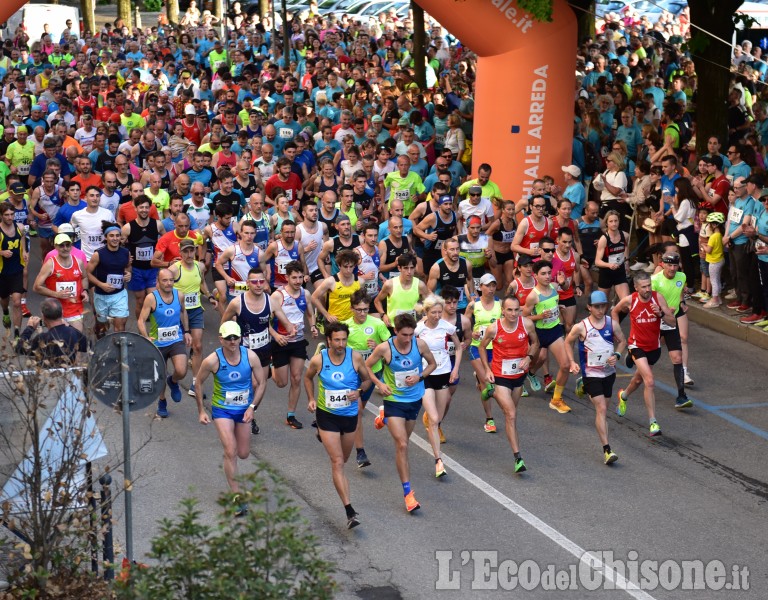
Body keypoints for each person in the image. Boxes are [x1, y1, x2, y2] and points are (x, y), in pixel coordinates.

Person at [365, 313, 437, 513]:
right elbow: (367, 366)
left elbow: (433, 364)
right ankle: (408, 493)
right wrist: (379, 383)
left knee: (404, 439)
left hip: (414, 400)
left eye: (411, 334)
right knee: (403, 445)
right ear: (395, 331)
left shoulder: (419, 345)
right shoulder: (384, 348)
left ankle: (384, 418)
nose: (408, 339)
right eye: (404, 335)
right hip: (394, 400)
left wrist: (420, 376)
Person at [304, 321, 372, 529]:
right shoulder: (319, 360)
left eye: (344, 339)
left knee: (345, 458)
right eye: (337, 340)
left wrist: (359, 392)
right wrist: (311, 398)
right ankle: (350, 511)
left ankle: (322, 435)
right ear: (329, 340)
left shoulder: (355, 357)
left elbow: (367, 380)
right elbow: (308, 378)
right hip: (327, 415)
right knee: (338, 462)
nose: (341, 344)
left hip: (349, 416)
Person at [195, 321, 267, 516]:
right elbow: (198, 383)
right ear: (221, 339)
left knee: (243, 453)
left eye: (236, 337)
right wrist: (202, 410)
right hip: (222, 410)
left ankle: (230, 458)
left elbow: (261, 383)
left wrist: (253, 407)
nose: (233, 341)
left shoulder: (250, 356)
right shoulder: (212, 360)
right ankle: (237, 497)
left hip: (244, 409)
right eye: (228, 338)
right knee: (231, 450)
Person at [220, 266, 296, 435]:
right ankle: (237, 415)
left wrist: (291, 329)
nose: (258, 285)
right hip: (243, 352)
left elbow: (285, 321)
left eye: (262, 281)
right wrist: (228, 343)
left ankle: (250, 413)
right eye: (254, 282)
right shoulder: (237, 303)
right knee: (250, 384)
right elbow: (225, 324)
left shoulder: (271, 301)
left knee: (260, 385)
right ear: (248, 283)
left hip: (263, 351)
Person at [478, 294, 540, 474]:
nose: (513, 314)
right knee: (510, 414)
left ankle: (490, 392)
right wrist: (487, 370)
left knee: (512, 412)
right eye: (510, 310)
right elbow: (482, 347)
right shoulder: (494, 328)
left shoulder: (526, 324)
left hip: (518, 376)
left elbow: (535, 343)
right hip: (500, 375)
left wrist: (529, 357)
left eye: (517, 310)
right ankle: (518, 458)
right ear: (503, 310)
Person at [565, 291, 627, 465]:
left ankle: (583, 387)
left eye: (603, 306)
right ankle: (607, 449)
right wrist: (572, 362)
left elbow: (622, 341)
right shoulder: (581, 327)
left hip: (608, 372)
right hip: (591, 373)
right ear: (589, 307)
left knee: (604, 407)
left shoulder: (611, 324)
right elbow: (567, 342)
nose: (601, 310)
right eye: (597, 307)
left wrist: (617, 354)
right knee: (601, 409)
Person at [611, 272, 676, 437]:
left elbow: (672, 322)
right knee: (650, 381)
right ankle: (653, 422)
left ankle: (623, 395)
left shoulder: (657, 298)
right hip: (636, 345)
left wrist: (661, 313)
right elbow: (615, 312)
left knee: (638, 380)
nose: (648, 289)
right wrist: (617, 333)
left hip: (654, 347)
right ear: (636, 287)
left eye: (649, 286)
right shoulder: (630, 300)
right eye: (644, 287)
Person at [415, 294, 462, 477]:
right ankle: (438, 461)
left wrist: (456, 369)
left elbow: (458, 348)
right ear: (426, 312)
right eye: (433, 312)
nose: (437, 315)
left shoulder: (447, 327)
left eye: (439, 312)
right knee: (434, 419)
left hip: (443, 373)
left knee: (438, 417)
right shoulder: (418, 330)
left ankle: (430, 418)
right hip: (426, 375)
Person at [343, 289, 391, 468]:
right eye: (359, 309)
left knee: (356, 410)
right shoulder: (346, 326)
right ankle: (360, 452)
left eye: (365, 309)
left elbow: (390, 348)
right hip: (352, 375)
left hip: (372, 374)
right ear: (351, 309)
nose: (362, 313)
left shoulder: (377, 324)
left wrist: (378, 346)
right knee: (357, 410)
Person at [138, 268, 192, 418]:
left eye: (171, 280)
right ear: (158, 282)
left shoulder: (179, 295)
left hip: (176, 340)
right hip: (158, 343)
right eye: (165, 280)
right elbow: (141, 320)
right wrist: (146, 337)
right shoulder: (151, 298)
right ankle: (162, 401)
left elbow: (183, 312)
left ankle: (173, 381)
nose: (169, 283)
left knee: (181, 371)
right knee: (160, 375)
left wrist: (187, 331)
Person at [271, 260, 319, 429]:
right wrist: (276, 336)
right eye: (294, 278)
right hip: (281, 342)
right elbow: (265, 321)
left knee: (297, 378)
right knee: (281, 382)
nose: (298, 281)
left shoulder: (305, 294)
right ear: (287, 278)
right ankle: (272, 365)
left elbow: (310, 312)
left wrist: (312, 326)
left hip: (298, 342)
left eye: (300, 277)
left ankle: (290, 415)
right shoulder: (278, 296)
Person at [169, 238, 218, 398]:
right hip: (178, 312)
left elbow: (202, 283)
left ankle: (195, 383)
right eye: (186, 251)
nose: (189, 254)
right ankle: (175, 376)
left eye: (192, 251)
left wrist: (210, 295)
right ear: (180, 252)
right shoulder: (174, 269)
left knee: (197, 346)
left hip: (195, 310)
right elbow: (161, 287)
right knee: (178, 348)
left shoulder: (200, 266)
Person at [523, 260, 573, 414]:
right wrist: (540, 316)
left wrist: (558, 306)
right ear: (535, 275)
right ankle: (522, 379)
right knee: (536, 361)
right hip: (539, 334)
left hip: (554, 331)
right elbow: (524, 317)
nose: (546, 276)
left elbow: (565, 287)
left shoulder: (554, 287)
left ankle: (556, 399)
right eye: (543, 274)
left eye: (548, 273)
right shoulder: (533, 296)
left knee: (565, 365)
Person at [651, 253, 693, 406]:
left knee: (677, 358)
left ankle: (681, 396)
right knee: (648, 360)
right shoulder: (655, 280)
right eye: (669, 265)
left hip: (670, 322)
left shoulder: (681, 277)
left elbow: (680, 290)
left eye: (675, 265)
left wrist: (681, 302)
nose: (672, 268)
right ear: (662, 265)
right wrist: (663, 310)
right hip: (655, 322)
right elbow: (649, 301)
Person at [465, 273, 501, 432]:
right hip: (476, 347)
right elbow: (465, 323)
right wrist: (470, 335)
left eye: (493, 285)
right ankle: (489, 419)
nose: (491, 289)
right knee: (488, 385)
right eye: (488, 285)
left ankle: (478, 377)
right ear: (481, 287)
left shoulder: (501, 304)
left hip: (496, 349)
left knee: (491, 383)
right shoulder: (473, 305)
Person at [33, 233, 88, 331]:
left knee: (75, 341)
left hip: (75, 309)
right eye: (61, 245)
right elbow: (36, 287)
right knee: (58, 343)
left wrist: (84, 291)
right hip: (55, 311)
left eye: (68, 245)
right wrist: (56, 294)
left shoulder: (78, 262)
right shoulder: (50, 264)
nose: (65, 248)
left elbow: (84, 278)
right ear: (55, 247)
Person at [86, 221, 131, 338]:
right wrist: (101, 284)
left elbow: (127, 268)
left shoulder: (125, 253)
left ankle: (120, 353)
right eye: (111, 236)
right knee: (101, 328)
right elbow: (88, 273)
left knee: (120, 328)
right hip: (101, 296)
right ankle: (101, 349)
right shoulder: (98, 254)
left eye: (117, 235)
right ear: (105, 237)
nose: (115, 238)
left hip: (119, 295)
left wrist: (128, 274)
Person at [122, 195, 165, 319]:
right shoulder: (128, 228)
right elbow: (120, 246)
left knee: (154, 300)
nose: (144, 210)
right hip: (136, 270)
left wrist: (161, 254)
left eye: (147, 207)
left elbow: (165, 240)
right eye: (141, 207)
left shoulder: (157, 225)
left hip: (152, 269)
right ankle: (141, 331)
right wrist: (126, 259)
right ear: (135, 208)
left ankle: (154, 330)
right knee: (140, 301)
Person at [15, 298, 87, 366]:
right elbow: (87, 346)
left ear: (43, 316)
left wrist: (30, 328)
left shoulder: (43, 338)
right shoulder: (72, 333)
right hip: (69, 375)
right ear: (62, 313)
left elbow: (19, 348)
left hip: (48, 376)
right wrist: (69, 326)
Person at [375, 252, 428, 331]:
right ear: (399, 268)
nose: (409, 272)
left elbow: (429, 304)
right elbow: (377, 301)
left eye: (412, 268)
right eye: (406, 268)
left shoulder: (420, 285)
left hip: (412, 327)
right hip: (393, 327)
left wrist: (425, 317)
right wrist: (383, 315)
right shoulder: (389, 284)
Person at [311, 249, 361, 326]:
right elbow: (314, 297)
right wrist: (327, 315)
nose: (348, 270)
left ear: (354, 266)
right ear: (339, 265)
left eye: (351, 266)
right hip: (335, 322)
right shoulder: (330, 281)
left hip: (352, 321)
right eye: (345, 266)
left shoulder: (360, 282)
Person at [0, 201, 28, 337]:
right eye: (6, 215)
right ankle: (5, 312)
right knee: (4, 299)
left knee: (17, 302)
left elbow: (23, 238)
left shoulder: (20, 227)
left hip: (17, 269)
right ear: (1, 216)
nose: (10, 217)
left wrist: (24, 251)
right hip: (2, 272)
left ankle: (17, 334)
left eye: (12, 214)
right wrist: (2, 253)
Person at [595, 210, 630, 302]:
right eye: (611, 221)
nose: (614, 224)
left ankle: (616, 314)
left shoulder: (625, 235)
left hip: (620, 272)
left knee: (626, 302)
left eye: (616, 221)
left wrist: (626, 262)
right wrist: (609, 265)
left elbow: (625, 247)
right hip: (606, 274)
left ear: (619, 221)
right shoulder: (604, 239)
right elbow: (597, 261)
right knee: (602, 306)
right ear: (606, 223)